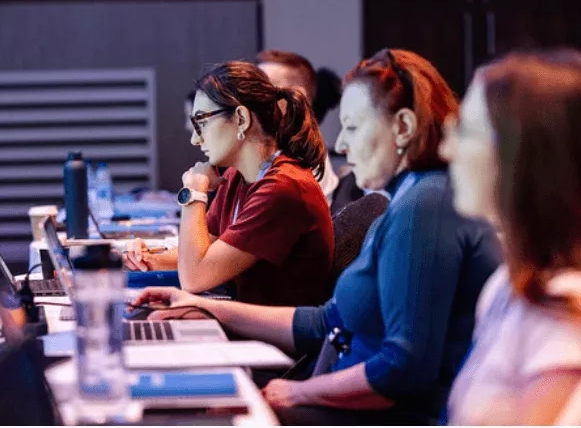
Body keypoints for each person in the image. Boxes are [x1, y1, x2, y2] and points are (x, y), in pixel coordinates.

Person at [131, 49, 502, 425]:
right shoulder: (406, 201)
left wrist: (297, 392)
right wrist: (209, 307)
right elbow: (323, 323)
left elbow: (404, 367)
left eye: (353, 128)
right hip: (331, 390)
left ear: (403, 128)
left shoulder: (426, 204)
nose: (340, 145)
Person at [441, 50, 581, 426]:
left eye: (465, 132)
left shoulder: (564, 309)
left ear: (523, 156)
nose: (445, 149)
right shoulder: (506, 286)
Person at [123, 61, 334, 307]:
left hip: (269, 342)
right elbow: (208, 248)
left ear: (241, 119)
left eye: (201, 122)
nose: (194, 139)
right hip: (239, 322)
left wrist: (194, 192)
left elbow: (195, 278)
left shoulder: (283, 189)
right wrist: (149, 259)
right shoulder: (237, 176)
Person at [256, 50, 339, 203]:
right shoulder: (268, 148)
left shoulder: (301, 160)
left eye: (265, 90)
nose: (251, 98)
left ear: (297, 98)